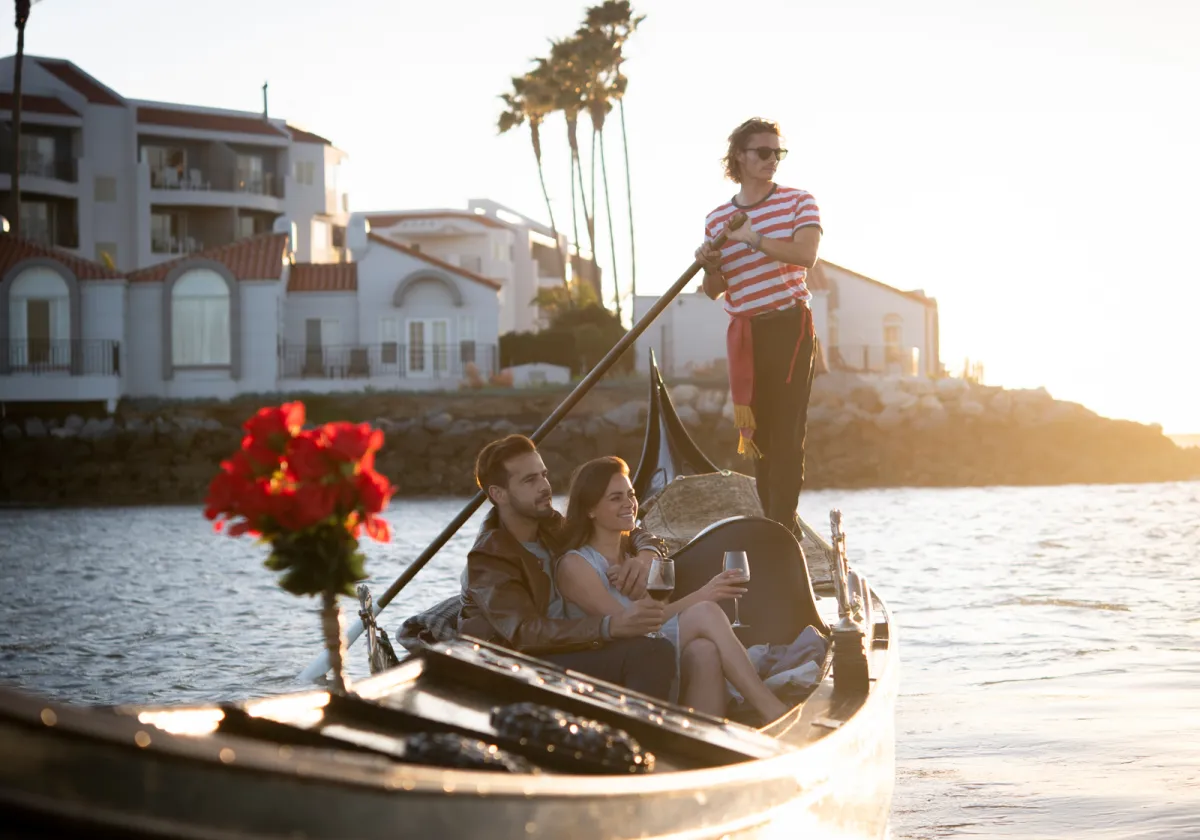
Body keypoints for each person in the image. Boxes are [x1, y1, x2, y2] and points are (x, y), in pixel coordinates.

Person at [554, 456, 790, 724]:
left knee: (704, 651)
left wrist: (645, 559)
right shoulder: (575, 565)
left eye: (630, 494)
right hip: (614, 659)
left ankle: (703, 742)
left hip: (649, 648)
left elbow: (654, 615)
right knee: (705, 612)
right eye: (615, 498)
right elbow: (631, 625)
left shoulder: (633, 558)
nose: (629, 504)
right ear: (590, 509)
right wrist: (704, 594)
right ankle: (772, 710)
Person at [459, 434, 677, 700]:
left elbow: (626, 530)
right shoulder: (489, 559)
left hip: (576, 647)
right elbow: (524, 633)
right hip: (525, 666)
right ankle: (641, 734)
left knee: (669, 640)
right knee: (653, 651)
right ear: (498, 494)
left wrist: (647, 553)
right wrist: (607, 626)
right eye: (530, 480)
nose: (544, 486)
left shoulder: (552, 527)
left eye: (543, 474)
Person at [695, 117, 822, 536]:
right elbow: (713, 290)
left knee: (787, 433)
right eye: (763, 152)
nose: (772, 160)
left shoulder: (799, 202)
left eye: (777, 153)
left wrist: (753, 239)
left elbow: (806, 255)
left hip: (790, 327)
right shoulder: (717, 221)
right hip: (746, 333)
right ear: (740, 157)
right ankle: (776, 522)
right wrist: (711, 265)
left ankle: (781, 526)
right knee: (759, 439)